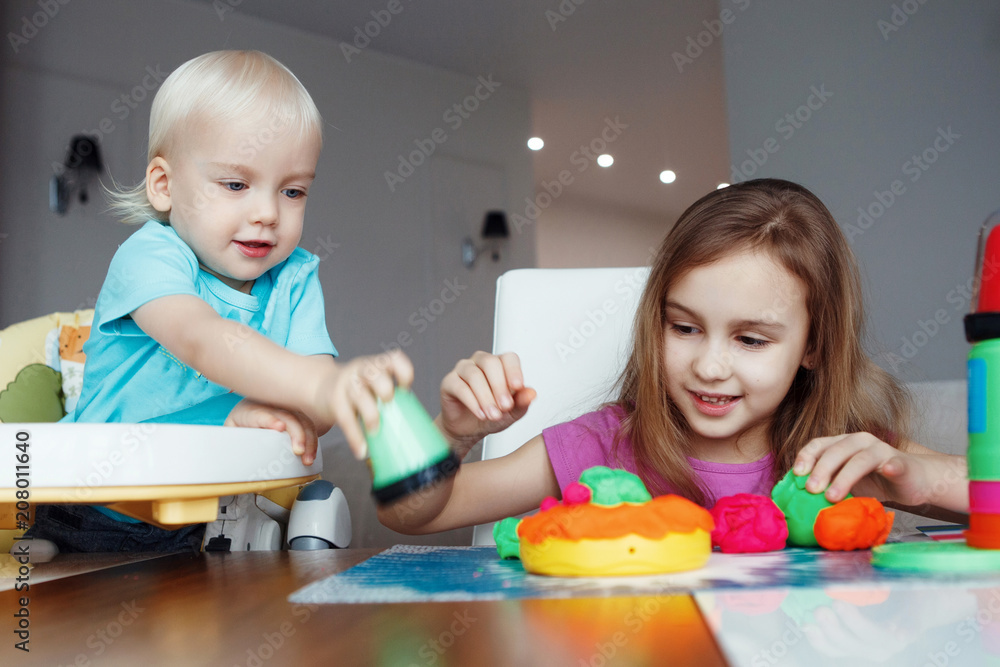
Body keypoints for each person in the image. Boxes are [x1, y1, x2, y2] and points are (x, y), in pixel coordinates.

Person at [376, 178, 969, 535]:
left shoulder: (844, 454)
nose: (709, 366)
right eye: (684, 328)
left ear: (814, 345)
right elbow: (414, 514)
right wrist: (451, 435)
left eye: (751, 340)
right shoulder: (605, 447)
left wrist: (919, 480)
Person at [29, 50, 410, 552]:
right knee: (61, 607)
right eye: (236, 184)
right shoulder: (151, 255)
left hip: (208, 514)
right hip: (94, 506)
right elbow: (203, 339)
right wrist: (324, 383)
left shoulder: (295, 278)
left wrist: (288, 411)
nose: (268, 213)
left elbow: (315, 411)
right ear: (164, 186)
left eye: (293, 192)